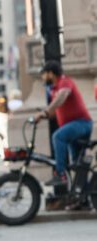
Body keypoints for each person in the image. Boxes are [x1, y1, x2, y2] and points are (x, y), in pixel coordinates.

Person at [34, 61, 94, 197]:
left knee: (58, 136)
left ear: (50, 73)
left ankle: (60, 174)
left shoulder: (64, 82)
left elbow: (62, 97)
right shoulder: (55, 89)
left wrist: (45, 111)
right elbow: (55, 111)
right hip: (74, 127)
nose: (43, 78)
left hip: (81, 124)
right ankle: (82, 199)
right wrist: (41, 116)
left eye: (43, 74)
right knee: (78, 165)